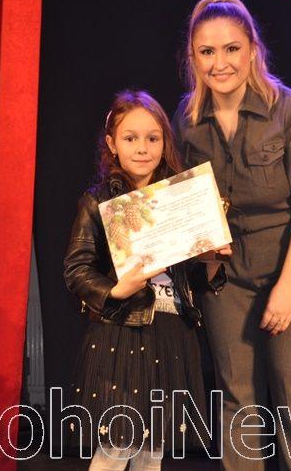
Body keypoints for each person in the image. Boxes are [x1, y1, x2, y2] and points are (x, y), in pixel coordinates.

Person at [175, 0, 291, 471]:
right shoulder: (187, 120)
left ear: (252, 50)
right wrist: (203, 255)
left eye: (231, 48)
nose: (220, 63)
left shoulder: (290, 109)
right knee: (236, 393)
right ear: (193, 57)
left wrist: (286, 288)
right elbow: (185, 203)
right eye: (207, 51)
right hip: (229, 274)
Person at [63, 90, 228, 470]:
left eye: (153, 138)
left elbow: (193, 279)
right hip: (122, 331)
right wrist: (115, 290)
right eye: (130, 138)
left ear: (165, 142)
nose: (142, 148)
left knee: (152, 451)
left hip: (172, 332)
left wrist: (212, 261)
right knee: (116, 447)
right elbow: (76, 268)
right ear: (112, 144)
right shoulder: (98, 200)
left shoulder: (181, 198)